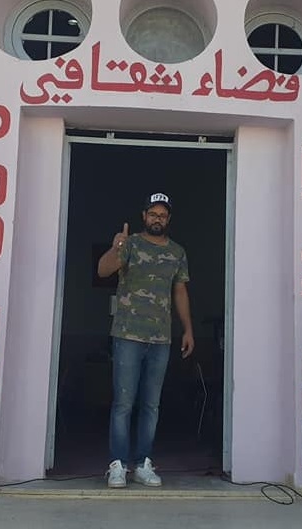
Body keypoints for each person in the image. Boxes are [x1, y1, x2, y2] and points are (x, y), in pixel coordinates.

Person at [97, 192, 195, 488]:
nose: (157, 219)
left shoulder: (177, 252)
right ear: (144, 216)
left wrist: (188, 329)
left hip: (160, 338)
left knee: (151, 405)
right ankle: (117, 465)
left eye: (162, 215)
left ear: (169, 219)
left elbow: (180, 291)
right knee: (123, 403)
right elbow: (103, 270)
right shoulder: (130, 244)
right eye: (153, 214)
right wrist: (116, 247)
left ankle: (142, 464)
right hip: (127, 334)